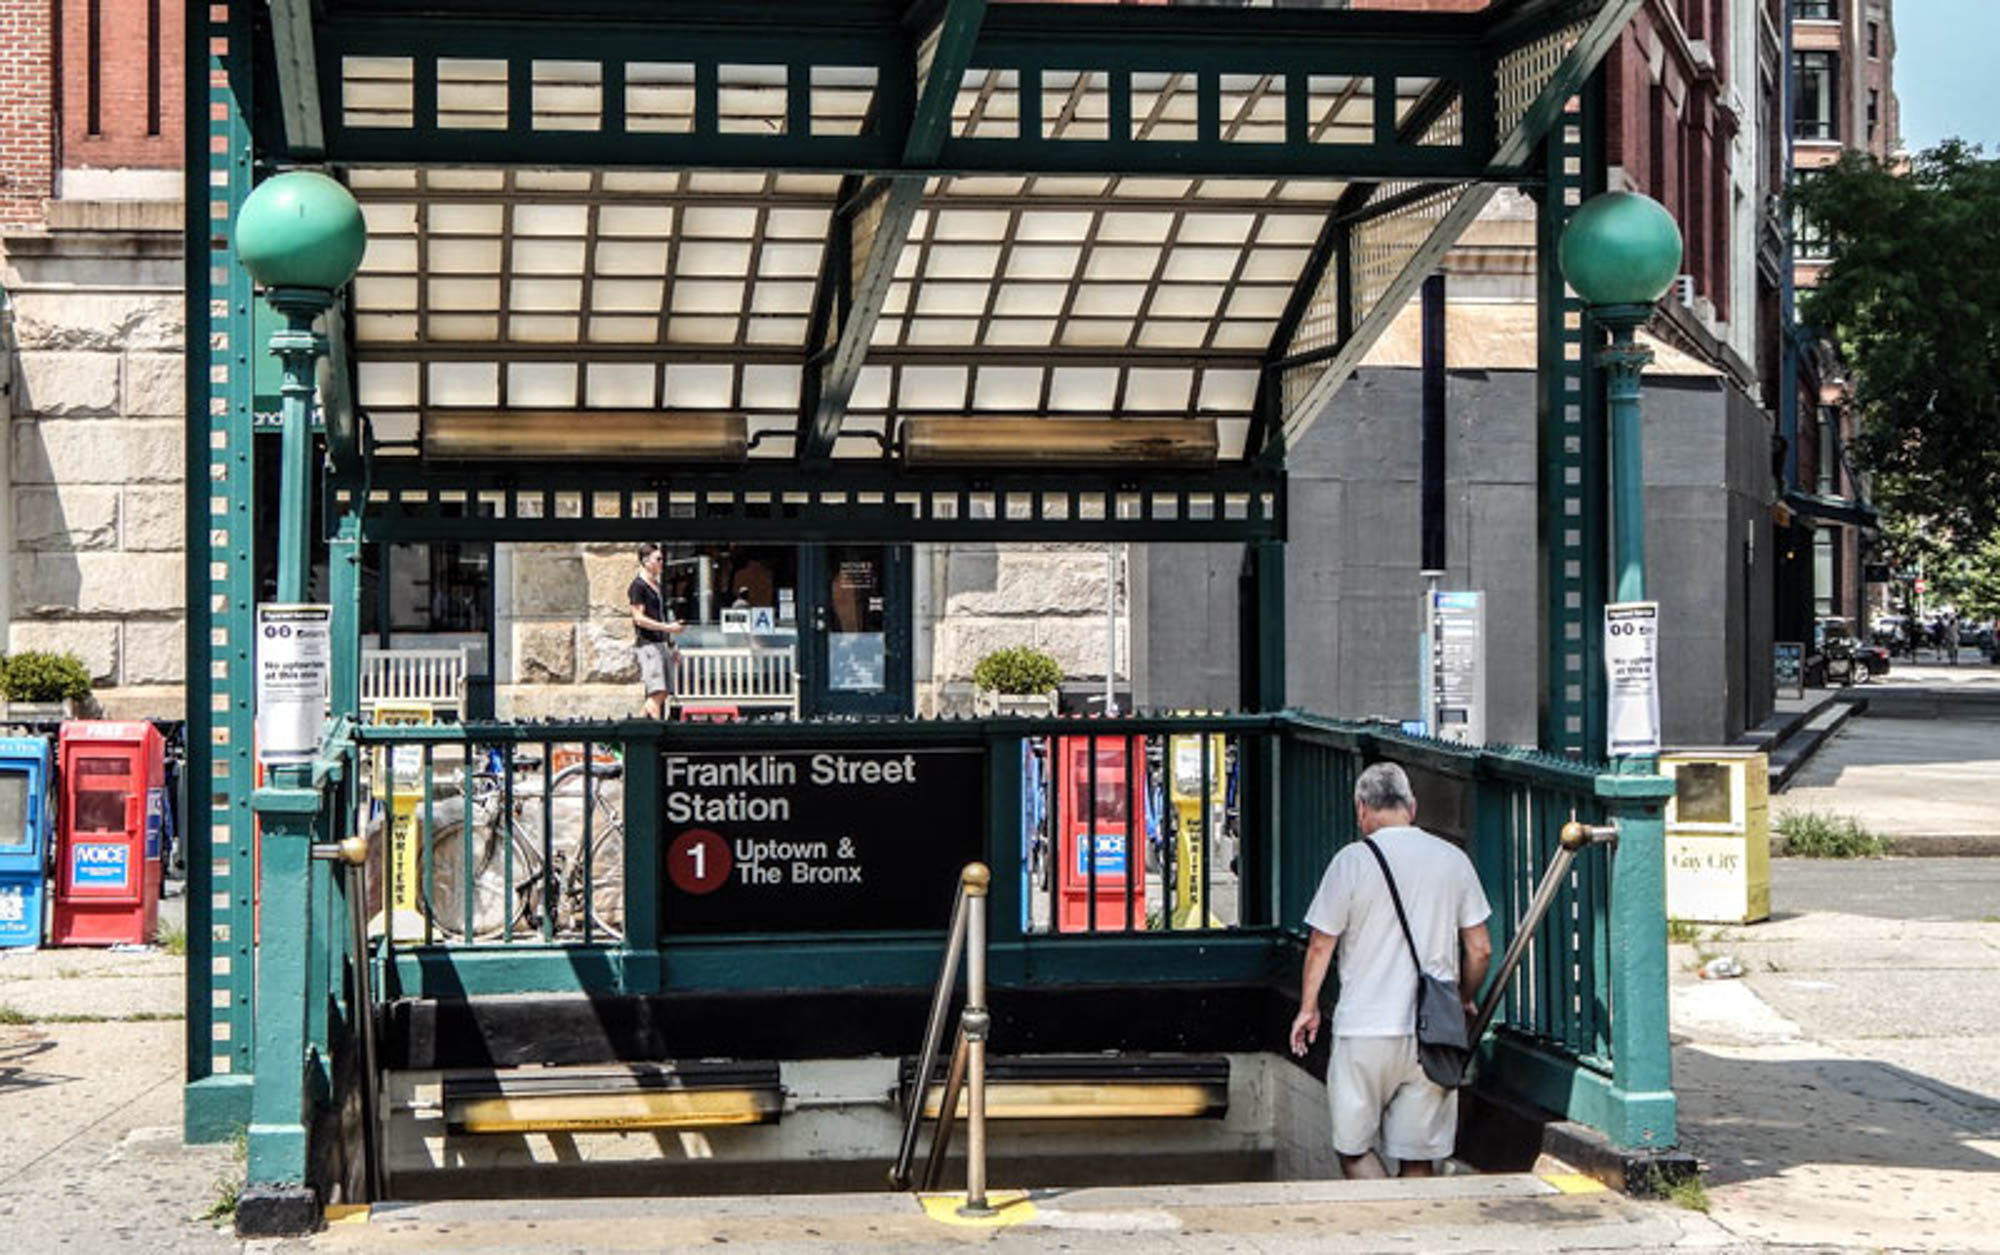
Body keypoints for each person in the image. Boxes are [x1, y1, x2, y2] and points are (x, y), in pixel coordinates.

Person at [1289, 762, 1493, 1179]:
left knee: (1353, 1149)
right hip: (1431, 1036)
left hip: (1364, 1031)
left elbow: (1320, 944)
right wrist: (1463, 998)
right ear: (1412, 807)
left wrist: (1308, 1007)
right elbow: (1480, 948)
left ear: (1361, 809)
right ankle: (1414, 1236)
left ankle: (1385, 1225)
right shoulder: (1452, 860)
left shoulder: (1350, 862)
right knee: (1418, 1158)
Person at [627, 543, 683, 718]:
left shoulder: (655, 586)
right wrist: (667, 628)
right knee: (657, 692)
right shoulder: (638, 586)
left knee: (663, 692)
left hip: (660, 643)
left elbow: (660, 616)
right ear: (645, 561)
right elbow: (639, 618)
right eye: (658, 559)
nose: (661, 563)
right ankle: (654, 734)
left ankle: (634, 732)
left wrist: (670, 643)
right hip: (649, 644)